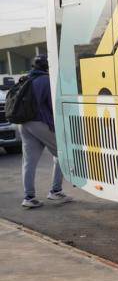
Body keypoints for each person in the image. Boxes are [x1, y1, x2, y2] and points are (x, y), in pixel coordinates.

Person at [19, 54, 72, 209]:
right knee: (62, 153)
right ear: (46, 66)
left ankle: (29, 197)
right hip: (39, 123)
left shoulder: (26, 79)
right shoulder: (46, 80)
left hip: (24, 123)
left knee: (29, 162)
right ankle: (55, 191)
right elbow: (52, 106)